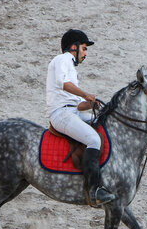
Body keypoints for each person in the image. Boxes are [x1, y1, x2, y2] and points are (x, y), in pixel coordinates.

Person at [46, 28, 115, 205]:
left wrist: (91, 104)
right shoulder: (62, 59)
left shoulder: (72, 69)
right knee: (93, 139)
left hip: (73, 111)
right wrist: (85, 94)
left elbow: (78, 105)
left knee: (101, 125)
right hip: (60, 113)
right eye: (84, 48)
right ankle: (93, 191)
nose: (85, 53)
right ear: (73, 47)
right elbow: (63, 84)